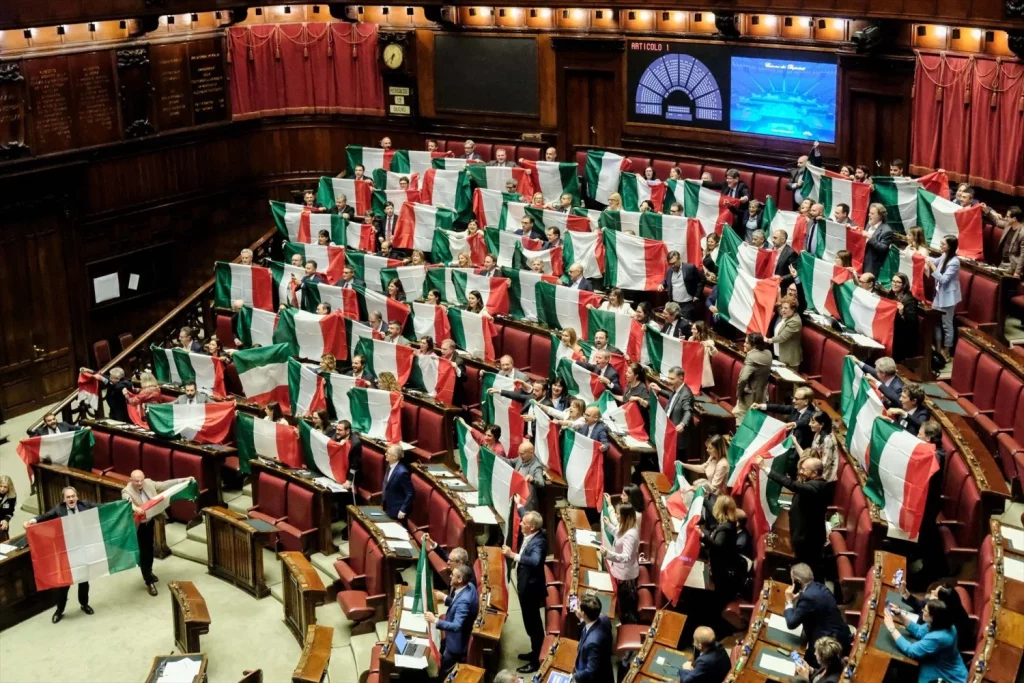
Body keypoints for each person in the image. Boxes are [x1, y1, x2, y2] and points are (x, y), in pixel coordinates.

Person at [24, 487, 97, 623]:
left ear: (77, 496)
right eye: (68, 497)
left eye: (73, 496)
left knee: (84, 581)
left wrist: (123, 504)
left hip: (82, 548)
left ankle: (84, 604)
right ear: (64, 499)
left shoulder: (85, 505)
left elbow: (103, 507)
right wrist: (32, 521)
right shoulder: (59, 509)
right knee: (64, 584)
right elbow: (44, 516)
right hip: (67, 552)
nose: (71, 499)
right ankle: (60, 610)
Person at [122, 469, 195, 596]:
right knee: (144, 552)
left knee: (150, 549)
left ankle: (148, 571)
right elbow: (127, 501)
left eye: (141, 480)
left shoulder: (149, 483)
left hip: (149, 522)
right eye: (136, 481)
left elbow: (164, 484)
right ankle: (148, 581)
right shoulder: (127, 490)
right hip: (138, 526)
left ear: (144, 477)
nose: (139, 483)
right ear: (130, 480)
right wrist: (135, 508)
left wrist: (182, 480)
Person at [758, 459, 829, 577]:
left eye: (804, 470)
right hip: (803, 535)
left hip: (807, 540)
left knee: (807, 569)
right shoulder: (813, 483)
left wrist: (767, 469)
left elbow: (792, 485)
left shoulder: (815, 488)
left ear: (815, 473)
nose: (800, 472)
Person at [781, 564, 851, 667]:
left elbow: (791, 623)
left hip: (828, 645)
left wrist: (789, 601)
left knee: (800, 662)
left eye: (792, 580)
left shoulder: (808, 597)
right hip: (841, 636)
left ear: (797, 582)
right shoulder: (820, 587)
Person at [503, 511, 547, 673]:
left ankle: (537, 661)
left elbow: (535, 561)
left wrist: (513, 555)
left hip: (531, 590)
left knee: (534, 626)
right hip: (525, 587)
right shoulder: (533, 531)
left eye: (523, 522)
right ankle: (535, 651)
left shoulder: (539, 542)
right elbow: (528, 516)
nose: (520, 524)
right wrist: (520, 505)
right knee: (530, 624)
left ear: (532, 527)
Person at [882, 599, 968, 683]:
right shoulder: (941, 623)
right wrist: (899, 614)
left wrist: (892, 628)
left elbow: (910, 650)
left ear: (932, 617)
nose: (922, 611)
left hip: (947, 675)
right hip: (940, 663)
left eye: (925, 610)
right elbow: (918, 631)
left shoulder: (938, 638)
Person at [424, 564, 479, 677]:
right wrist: (444, 598)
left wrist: (435, 620)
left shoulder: (464, 601)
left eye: (452, 575)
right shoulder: (469, 586)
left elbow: (457, 625)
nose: (450, 576)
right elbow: (457, 604)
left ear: (460, 579)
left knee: (444, 671)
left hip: (456, 644)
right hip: (459, 634)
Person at [601, 501, 640, 624]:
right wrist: (608, 525)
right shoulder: (625, 526)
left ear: (625, 516)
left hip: (626, 575)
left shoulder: (631, 534)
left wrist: (608, 554)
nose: (616, 516)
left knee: (626, 605)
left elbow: (626, 557)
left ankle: (628, 626)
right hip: (620, 570)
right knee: (622, 602)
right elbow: (618, 534)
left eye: (618, 514)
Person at [648, 366, 694, 460]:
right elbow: (673, 397)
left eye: (672, 379)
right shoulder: (677, 390)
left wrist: (683, 423)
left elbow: (688, 411)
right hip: (668, 432)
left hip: (678, 440)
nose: (669, 381)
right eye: (669, 378)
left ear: (681, 378)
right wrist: (660, 390)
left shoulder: (687, 394)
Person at [927, 235, 961, 361]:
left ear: (950, 247)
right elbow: (935, 261)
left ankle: (946, 350)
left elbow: (943, 279)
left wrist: (931, 265)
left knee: (947, 325)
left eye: (943, 244)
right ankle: (937, 348)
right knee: (935, 321)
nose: (940, 246)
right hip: (938, 295)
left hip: (948, 298)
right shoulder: (944, 255)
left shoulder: (954, 262)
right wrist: (920, 255)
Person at [754, 385, 816, 450]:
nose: (793, 401)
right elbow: (780, 408)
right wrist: (761, 406)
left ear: (806, 401)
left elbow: (805, 420)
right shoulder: (797, 408)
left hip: (799, 450)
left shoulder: (811, 413)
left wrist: (794, 424)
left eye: (797, 399)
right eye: (793, 398)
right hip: (788, 443)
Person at [572, 593, 614, 683]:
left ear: (584, 614)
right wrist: (581, 618)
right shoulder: (604, 618)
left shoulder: (593, 643)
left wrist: (573, 678)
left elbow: (590, 671)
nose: (577, 608)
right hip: (605, 666)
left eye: (579, 607)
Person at [733, 333, 772, 420]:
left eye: (746, 343)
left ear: (754, 345)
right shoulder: (768, 354)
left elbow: (743, 378)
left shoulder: (751, 357)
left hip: (749, 398)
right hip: (762, 396)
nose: (744, 344)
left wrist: (739, 394)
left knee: (740, 420)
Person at [793, 411, 838, 483]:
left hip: (823, 480)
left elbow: (824, 466)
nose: (809, 424)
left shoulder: (828, 440)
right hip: (814, 472)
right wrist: (795, 443)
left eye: (813, 422)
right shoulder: (817, 434)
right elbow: (809, 456)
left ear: (822, 424)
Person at [659, 250, 705, 321]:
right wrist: (662, 284)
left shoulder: (689, 268)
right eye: (670, 264)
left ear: (679, 259)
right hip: (673, 304)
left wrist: (697, 295)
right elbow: (666, 280)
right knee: (673, 325)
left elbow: (702, 279)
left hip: (687, 304)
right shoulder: (669, 270)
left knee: (685, 326)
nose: (673, 265)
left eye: (674, 263)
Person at [890, 272, 920, 363]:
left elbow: (912, 323)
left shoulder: (910, 301)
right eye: (893, 281)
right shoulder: (891, 295)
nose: (894, 284)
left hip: (904, 337)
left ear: (904, 285)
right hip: (893, 329)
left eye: (898, 282)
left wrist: (902, 313)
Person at [766, 296, 802, 368]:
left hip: (789, 360)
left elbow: (782, 338)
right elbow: (779, 308)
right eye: (782, 307)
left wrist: (768, 340)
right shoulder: (786, 314)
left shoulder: (795, 321)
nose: (783, 310)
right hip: (779, 355)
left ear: (793, 309)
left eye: (785, 308)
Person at [510, 442, 545, 511]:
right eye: (519, 453)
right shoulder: (520, 459)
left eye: (522, 454)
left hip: (527, 503)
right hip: (516, 497)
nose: (520, 456)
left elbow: (541, 483)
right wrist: (494, 456)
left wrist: (532, 480)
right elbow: (509, 462)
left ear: (531, 453)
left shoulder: (537, 466)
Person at [381, 444, 412, 520]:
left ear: (394, 457)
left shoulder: (402, 472)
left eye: (388, 453)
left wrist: (403, 510)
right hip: (387, 506)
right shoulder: (390, 465)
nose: (385, 454)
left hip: (397, 511)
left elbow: (410, 493)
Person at [332, 420, 362, 499]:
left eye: (340, 430)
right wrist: (338, 445)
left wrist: (349, 481)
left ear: (347, 431)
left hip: (350, 474)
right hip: (337, 469)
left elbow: (355, 465)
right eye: (336, 429)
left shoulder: (355, 444)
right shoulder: (336, 436)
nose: (337, 432)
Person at [862, 203, 893, 276]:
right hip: (861, 260)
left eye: (872, 213)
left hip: (872, 265)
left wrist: (870, 237)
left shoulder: (887, 230)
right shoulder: (868, 224)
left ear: (880, 216)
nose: (869, 215)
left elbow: (883, 249)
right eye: (869, 212)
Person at [995, 206, 1024, 277]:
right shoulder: (1008, 225)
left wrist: (1017, 272)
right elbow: (996, 222)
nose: (1005, 218)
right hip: (1002, 262)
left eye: (1007, 216)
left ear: (1014, 219)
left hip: (1012, 265)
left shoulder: (1022, 233)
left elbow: (1023, 255)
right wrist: (987, 211)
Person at [690, 322, 717, 389]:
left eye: (694, 329)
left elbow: (714, 354)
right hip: (691, 371)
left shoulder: (709, 342)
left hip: (702, 374)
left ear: (700, 331)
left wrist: (710, 346)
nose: (691, 331)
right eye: (692, 328)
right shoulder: (691, 338)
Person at [0, 475, 16, 543]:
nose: (2, 489)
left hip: (2, 523)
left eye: (5, 487)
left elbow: (10, 512)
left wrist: (6, 520)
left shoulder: (12, 496)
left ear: (9, 487)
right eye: (0, 486)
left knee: (5, 542)